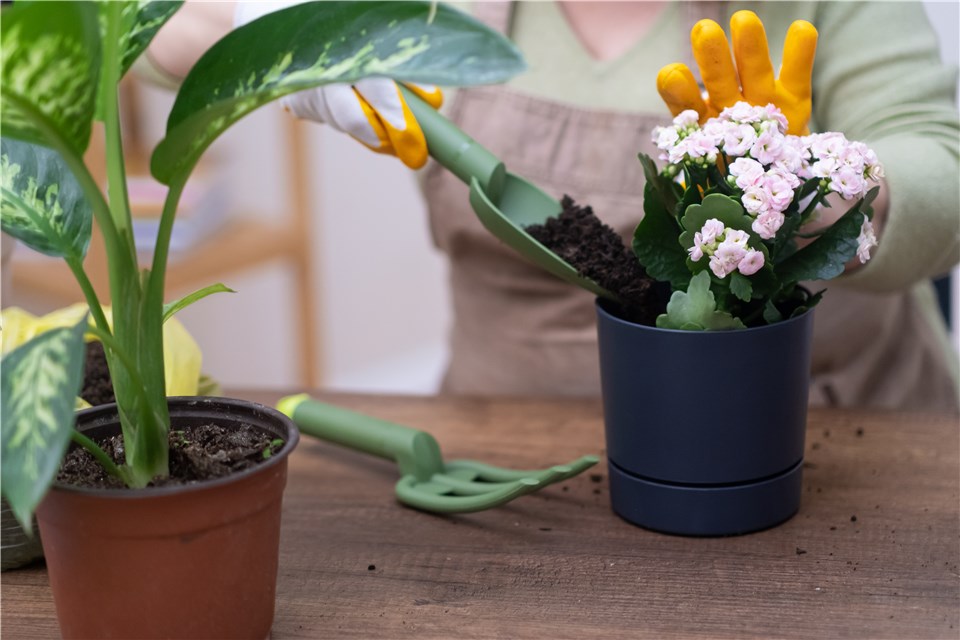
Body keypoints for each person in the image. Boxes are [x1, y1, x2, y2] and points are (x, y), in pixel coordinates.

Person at [144, 1, 959, 410]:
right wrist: (273, 34)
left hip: (826, 428)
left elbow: (943, 168)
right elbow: (146, 23)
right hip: (509, 445)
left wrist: (816, 193)